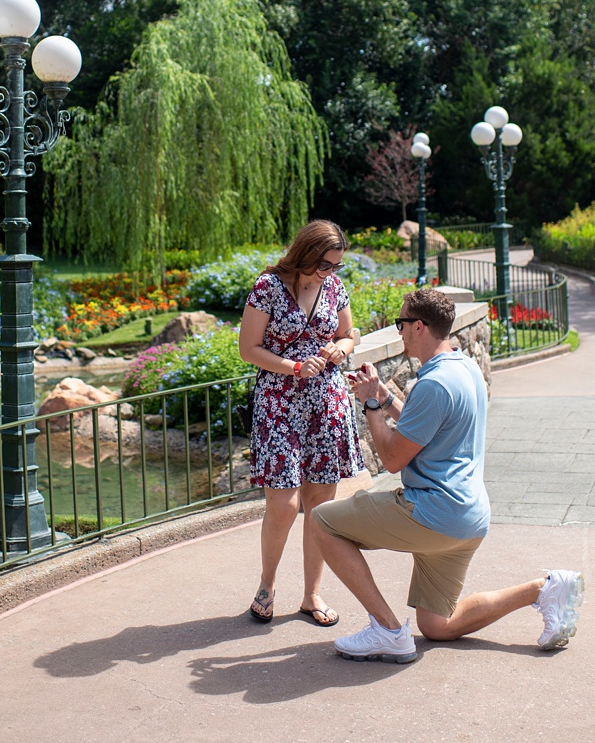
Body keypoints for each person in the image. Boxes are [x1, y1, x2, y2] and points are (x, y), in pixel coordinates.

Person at [310, 287, 584, 663]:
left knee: (322, 521)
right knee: (438, 625)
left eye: (401, 324)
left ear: (419, 326)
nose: (399, 332)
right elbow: (423, 426)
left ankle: (388, 630)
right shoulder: (463, 366)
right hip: (467, 518)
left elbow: (392, 458)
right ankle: (544, 588)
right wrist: (386, 397)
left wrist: (371, 404)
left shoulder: (434, 383)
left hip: (431, 514)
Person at [238, 219, 364, 627]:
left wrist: (339, 350)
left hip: (326, 403)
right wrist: (293, 366)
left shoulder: (333, 288)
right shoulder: (267, 287)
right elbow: (248, 349)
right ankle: (267, 584)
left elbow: (350, 334)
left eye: (336, 266)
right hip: (279, 404)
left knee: (320, 507)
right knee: (283, 504)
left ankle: (312, 594)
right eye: (325, 264)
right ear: (307, 254)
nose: (331, 272)